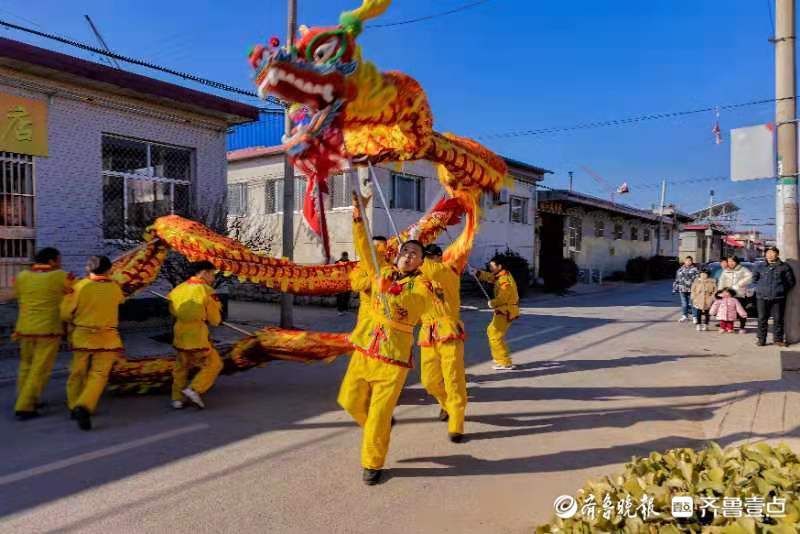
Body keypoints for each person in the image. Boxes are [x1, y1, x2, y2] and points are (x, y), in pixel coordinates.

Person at [338, 193, 448, 486]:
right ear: (396, 255)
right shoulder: (381, 271)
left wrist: (395, 292)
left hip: (393, 359)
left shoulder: (423, 284)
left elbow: (415, 305)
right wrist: (359, 212)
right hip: (364, 349)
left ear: (421, 261)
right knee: (348, 400)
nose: (409, 256)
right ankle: (381, 426)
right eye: (405, 252)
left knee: (378, 414)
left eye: (415, 254)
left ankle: (372, 463)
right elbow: (364, 248)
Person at [61, 256, 125, 431]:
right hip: (108, 337)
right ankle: (85, 405)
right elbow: (120, 301)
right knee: (98, 375)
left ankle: (75, 406)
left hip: (83, 335)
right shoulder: (114, 288)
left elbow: (65, 313)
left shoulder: (80, 287)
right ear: (108, 270)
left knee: (77, 372)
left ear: (88, 269)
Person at [12, 247, 74, 420]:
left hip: (24, 328)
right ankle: (24, 406)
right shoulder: (60, 276)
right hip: (47, 330)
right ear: (52, 261)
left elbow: (19, 295)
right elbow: (75, 292)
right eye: (59, 259)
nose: (60, 263)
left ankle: (26, 397)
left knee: (26, 366)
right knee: (40, 369)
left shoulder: (22, 276)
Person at [418, 243, 467, 442]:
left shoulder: (448, 273)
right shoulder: (419, 278)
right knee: (429, 381)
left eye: (431, 256)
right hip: (428, 333)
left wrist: (415, 250)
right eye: (426, 257)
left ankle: (456, 423)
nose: (428, 260)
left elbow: (432, 269)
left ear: (439, 257)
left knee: (453, 379)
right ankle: (446, 404)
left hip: (448, 331)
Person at [168, 261, 223, 409]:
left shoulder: (178, 289)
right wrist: (215, 319)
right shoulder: (207, 291)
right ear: (204, 273)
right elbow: (215, 319)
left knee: (181, 367)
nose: (213, 277)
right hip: (197, 335)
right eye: (212, 274)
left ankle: (177, 399)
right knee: (214, 364)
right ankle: (194, 389)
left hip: (179, 333)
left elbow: (173, 311)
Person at [472, 256, 520, 370]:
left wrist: (493, 303)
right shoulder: (501, 275)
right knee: (493, 332)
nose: (490, 268)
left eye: (492, 266)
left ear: (499, 266)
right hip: (503, 309)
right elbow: (490, 277)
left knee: (495, 334)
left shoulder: (504, 280)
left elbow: (503, 297)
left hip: (506, 310)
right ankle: (500, 358)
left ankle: (504, 362)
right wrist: (477, 272)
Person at [752, 246, 796, 347]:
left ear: (777, 254)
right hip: (762, 297)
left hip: (778, 298)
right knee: (762, 318)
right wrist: (759, 289)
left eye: (772, 252)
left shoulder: (784, 267)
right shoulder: (759, 266)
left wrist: (781, 290)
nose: (770, 254)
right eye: (768, 252)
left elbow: (791, 282)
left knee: (778, 319)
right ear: (765, 254)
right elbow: (754, 280)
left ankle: (778, 339)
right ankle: (761, 340)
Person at [717, 256, 753, 333]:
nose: (731, 263)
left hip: (739, 293)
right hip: (728, 294)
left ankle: (742, 327)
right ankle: (727, 326)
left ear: (736, 261)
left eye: (732, 261)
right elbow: (721, 281)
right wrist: (720, 292)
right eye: (729, 261)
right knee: (727, 311)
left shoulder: (742, 269)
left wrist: (740, 283)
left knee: (741, 311)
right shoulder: (725, 271)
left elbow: (750, 276)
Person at [673, 256, 699, 323]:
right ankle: (685, 316)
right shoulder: (680, 269)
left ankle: (695, 317)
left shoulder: (695, 270)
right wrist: (675, 288)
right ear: (684, 261)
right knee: (684, 304)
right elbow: (677, 279)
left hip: (692, 289)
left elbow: (697, 280)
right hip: (682, 289)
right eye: (687, 260)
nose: (688, 262)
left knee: (693, 303)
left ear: (691, 261)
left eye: (689, 261)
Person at [335, 252, 352, 316]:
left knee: (347, 296)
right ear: (342, 256)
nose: (345, 257)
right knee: (340, 297)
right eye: (344, 256)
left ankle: (345, 309)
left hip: (347, 283)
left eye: (346, 256)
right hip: (339, 283)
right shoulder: (337, 263)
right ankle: (340, 310)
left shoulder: (349, 263)